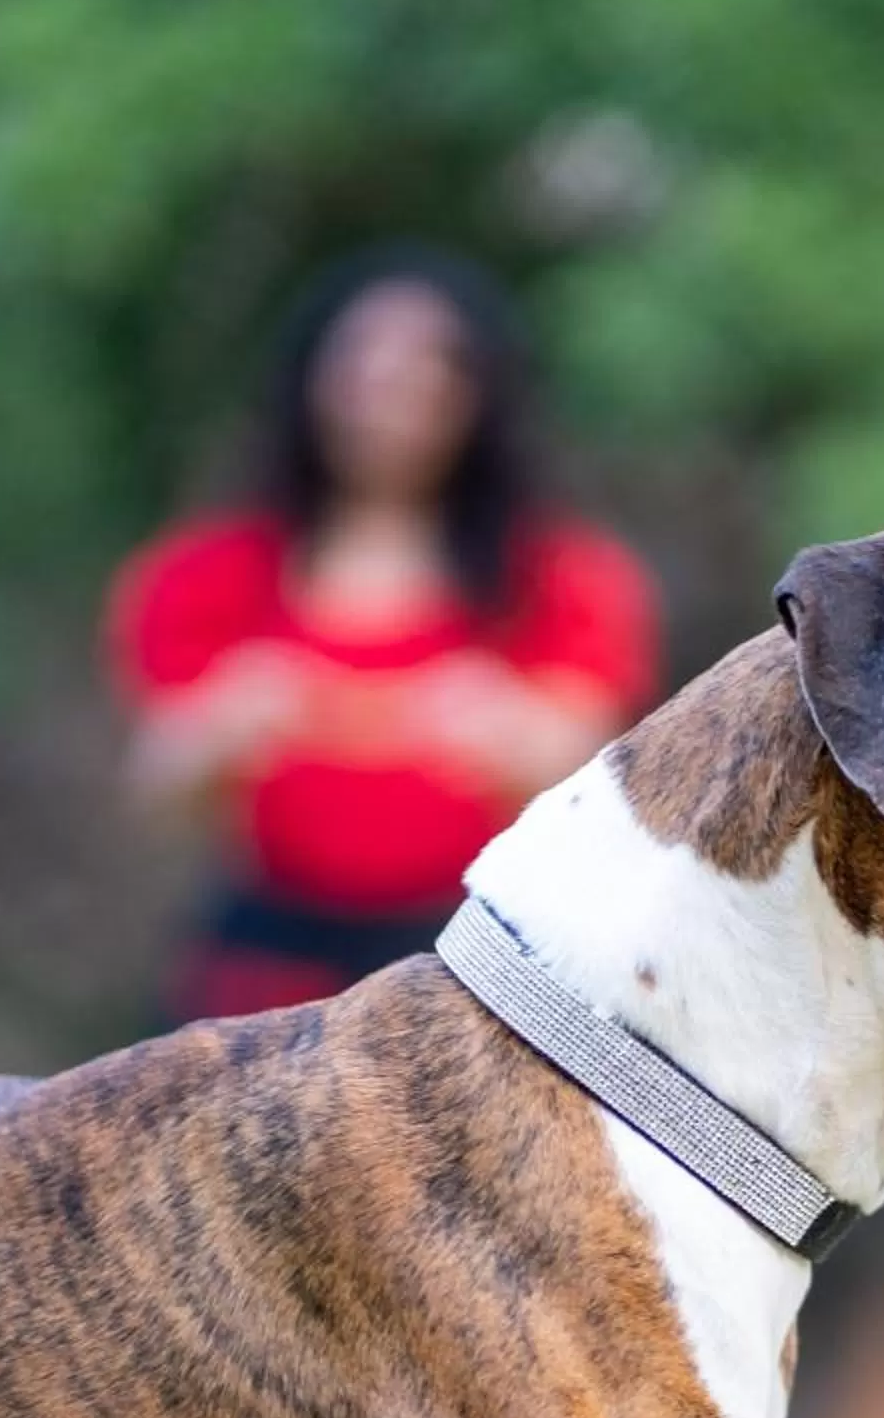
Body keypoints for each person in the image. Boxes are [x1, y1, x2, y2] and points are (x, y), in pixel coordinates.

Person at [106, 248, 659, 1024]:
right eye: (367, 360)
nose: (395, 390)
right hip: (266, 968)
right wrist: (223, 722)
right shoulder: (208, 571)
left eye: (432, 365)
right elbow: (156, 784)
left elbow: (610, 785)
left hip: (475, 967)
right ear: (311, 380)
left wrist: (509, 726)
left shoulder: (561, 575)